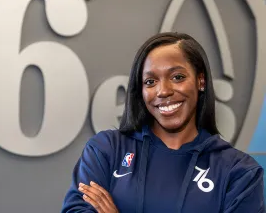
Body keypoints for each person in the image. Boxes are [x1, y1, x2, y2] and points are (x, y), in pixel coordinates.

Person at [61, 32, 265, 213]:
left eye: (177, 77)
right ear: (140, 90)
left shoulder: (238, 172)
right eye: (150, 82)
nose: (163, 91)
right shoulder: (106, 150)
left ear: (200, 81)